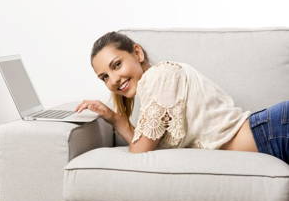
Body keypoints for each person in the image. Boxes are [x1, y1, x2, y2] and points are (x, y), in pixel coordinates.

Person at [75, 31, 289, 164]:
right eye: (104, 77)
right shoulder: (155, 86)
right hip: (271, 130)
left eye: (117, 65)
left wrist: (117, 119)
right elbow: (145, 148)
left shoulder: (159, 76)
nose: (113, 80)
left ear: (137, 53)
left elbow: (140, 150)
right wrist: (115, 118)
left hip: (273, 131)